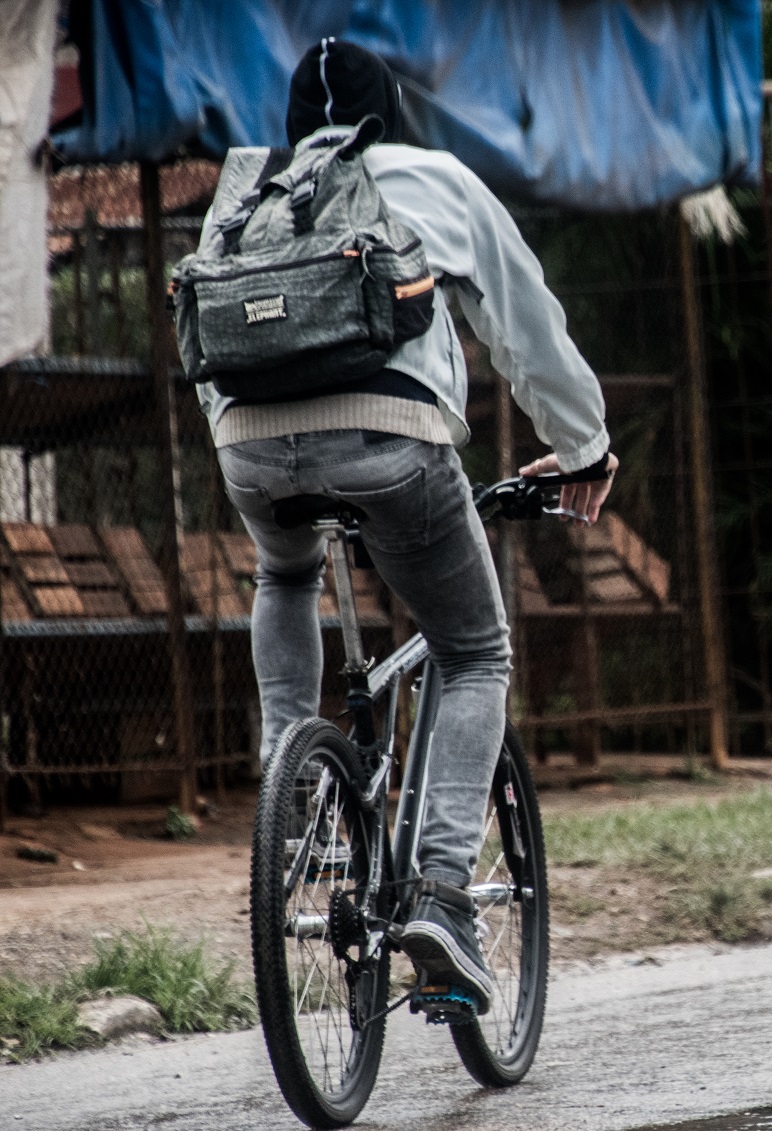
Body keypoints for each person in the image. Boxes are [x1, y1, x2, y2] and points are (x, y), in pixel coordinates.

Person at [199, 40, 616, 1012]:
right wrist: (586, 446)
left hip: (246, 447)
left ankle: (290, 789)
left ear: (297, 126)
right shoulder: (434, 177)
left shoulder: (254, 192)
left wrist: (250, 450)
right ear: (388, 115)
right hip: (392, 439)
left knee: (286, 574)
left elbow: (211, 331)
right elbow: (527, 329)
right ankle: (439, 897)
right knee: (475, 650)